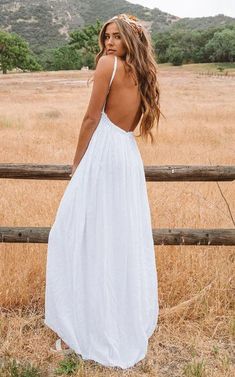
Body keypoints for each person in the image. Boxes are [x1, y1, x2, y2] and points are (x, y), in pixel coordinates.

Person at [44, 13, 160, 370]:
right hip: (126, 157)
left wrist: (77, 163)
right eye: (106, 37)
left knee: (71, 235)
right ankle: (108, 319)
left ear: (130, 40)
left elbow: (91, 118)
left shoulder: (107, 65)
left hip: (102, 156)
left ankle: (77, 326)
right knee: (117, 239)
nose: (109, 43)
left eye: (117, 37)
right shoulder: (144, 74)